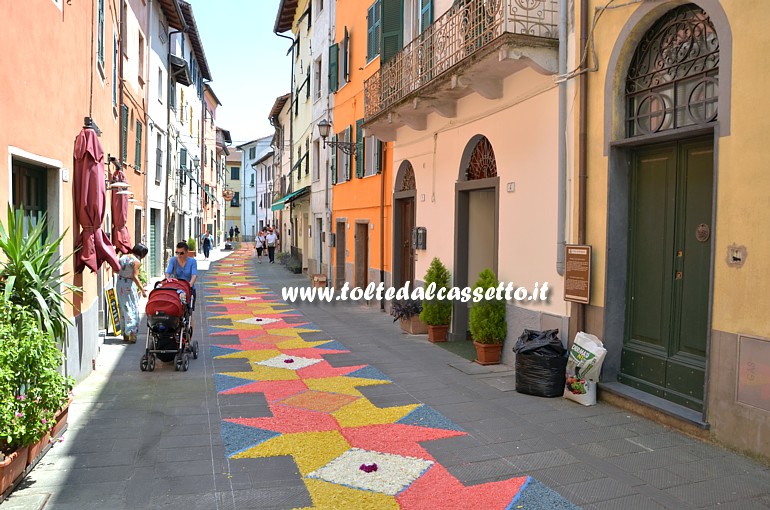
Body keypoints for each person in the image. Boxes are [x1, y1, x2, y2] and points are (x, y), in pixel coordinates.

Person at [116, 243, 148, 343]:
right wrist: (142, 290)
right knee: (132, 308)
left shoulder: (123, 257)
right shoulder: (136, 262)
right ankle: (132, 333)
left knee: (123, 307)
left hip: (120, 283)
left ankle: (125, 333)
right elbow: (135, 277)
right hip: (129, 285)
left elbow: (116, 269)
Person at [165, 241, 198, 312]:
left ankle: (190, 323)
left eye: (181, 253)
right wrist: (167, 278)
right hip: (176, 288)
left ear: (187, 252)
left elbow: (194, 275)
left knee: (189, 313)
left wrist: (190, 285)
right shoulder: (173, 260)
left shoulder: (192, 262)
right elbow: (168, 271)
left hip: (188, 288)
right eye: (177, 253)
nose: (179, 255)